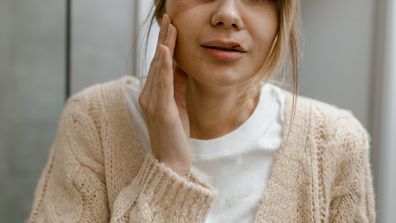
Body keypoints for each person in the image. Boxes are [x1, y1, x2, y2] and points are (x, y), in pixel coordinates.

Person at [28, 0, 376, 222]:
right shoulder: (93, 120)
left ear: (281, 17)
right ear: (164, 9)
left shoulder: (336, 144)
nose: (227, 14)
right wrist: (169, 171)